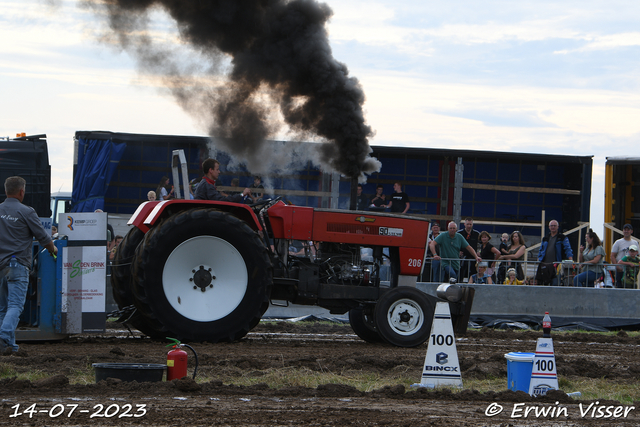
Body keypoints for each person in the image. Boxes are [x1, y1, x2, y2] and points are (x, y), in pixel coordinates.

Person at [0, 176, 58, 354]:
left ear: (6, 190)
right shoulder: (27, 212)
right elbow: (43, 237)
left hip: (1, 266)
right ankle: (3, 335)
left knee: (2, 308)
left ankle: (9, 347)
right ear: (22, 192)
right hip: (18, 264)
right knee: (15, 306)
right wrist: (53, 249)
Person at [537, 219, 574, 286]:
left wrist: (570, 259)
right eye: (551, 226)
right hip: (545, 265)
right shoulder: (545, 238)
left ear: (558, 227)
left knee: (555, 283)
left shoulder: (562, 237)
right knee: (544, 284)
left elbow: (568, 249)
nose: (553, 227)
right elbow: (541, 249)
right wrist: (539, 258)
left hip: (557, 266)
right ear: (549, 227)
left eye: (554, 226)